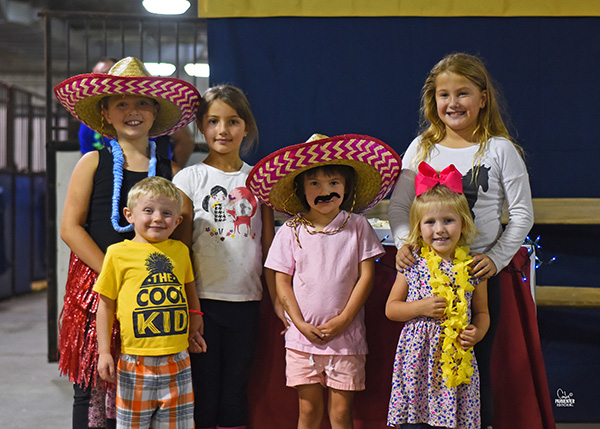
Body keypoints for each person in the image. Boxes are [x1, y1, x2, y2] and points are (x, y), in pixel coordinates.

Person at [387, 52, 534, 429]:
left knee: (474, 364)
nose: (453, 103)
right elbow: (400, 207)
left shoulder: (500, 149)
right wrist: (407, 243)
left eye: (463, 93)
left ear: (483, 98)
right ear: (432, 100)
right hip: (428, 272)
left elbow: (521, 215)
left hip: (476, 273)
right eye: (444, 95)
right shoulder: (421, 147)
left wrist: (497, 258)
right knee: (422, 369)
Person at [54, 56, 201, 429]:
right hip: (97, 287)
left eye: (141, 103)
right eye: (121, 103)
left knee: (148, 384)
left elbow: (183, 239)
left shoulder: (174, 174)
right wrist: (115, 274)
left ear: (155, 113)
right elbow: (70, 228)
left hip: (152, 292)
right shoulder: (92, 162)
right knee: (92, 381)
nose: (131, 111)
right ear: (105, 112)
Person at [247, 133, 401, 429]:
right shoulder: (290, 231)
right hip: (302, 340)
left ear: (346, 187)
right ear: (301, 189)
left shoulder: (357, 226)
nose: (324, 190)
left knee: (342, 413)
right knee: (308, 410)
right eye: (314, 183)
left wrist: (344, 319)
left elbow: (366, 276)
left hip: (347, 341)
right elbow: (283, 283)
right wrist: (299, 324)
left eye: (333, 183)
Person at [172, 84, 283, 429]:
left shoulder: (259, 179)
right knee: (204, 390)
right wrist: (190, 308)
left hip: (247, 302)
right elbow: (180, 250)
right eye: (213, 121)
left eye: (233, 121)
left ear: (246, 126)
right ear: (201, 127)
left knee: (236, 389)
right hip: (202, 302)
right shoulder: (189, 178)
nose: (223, 130)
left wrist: (277, 299)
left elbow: (268, 248)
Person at [95, 176, 206, 428]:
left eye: (166, 213)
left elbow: (188, 286)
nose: (157, 218)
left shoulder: (180, 251)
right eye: (148, 210)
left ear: (177, 221)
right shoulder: (117, 254)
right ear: (129, 214)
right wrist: (104, 352)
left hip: (178, 359)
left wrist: (195, 316)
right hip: (135, 362)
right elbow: (106, 304)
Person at [386, 162, 490, 429]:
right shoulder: (413, 262)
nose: (439, 229)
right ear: (418, 228)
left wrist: (477, 333)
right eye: (430, 222)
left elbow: (482, 313)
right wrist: (419, 307)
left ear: (463, 225)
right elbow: (392, 309)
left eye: (448, 221)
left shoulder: (473, 267)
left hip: (455, 360)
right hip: (418, 360)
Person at [79, 57, 117, 154]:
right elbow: (85, 155)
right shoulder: (88, 121)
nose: (100, 81)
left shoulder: (136, 113)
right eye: (96, 77)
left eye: (106, 75)